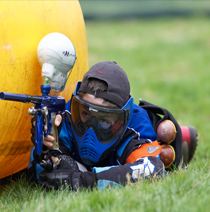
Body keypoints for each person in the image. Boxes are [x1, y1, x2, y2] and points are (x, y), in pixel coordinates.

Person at [27, 61, 197, 190]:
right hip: (104, 161)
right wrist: (43, 143)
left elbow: (153, 170)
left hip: (141, 144)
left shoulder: (136, 128)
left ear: (123, 117)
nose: (90, 131)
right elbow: (40, 169)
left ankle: (183, 138)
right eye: (86, 114)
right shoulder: (66, 114)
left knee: (168, 155)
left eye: (104, 119)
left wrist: (86, 181)